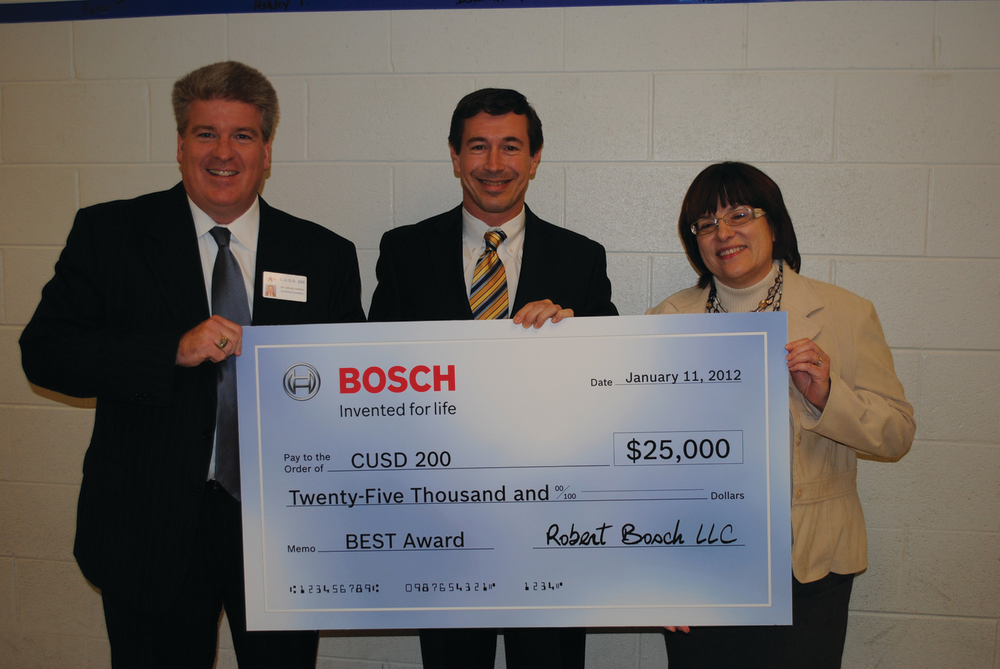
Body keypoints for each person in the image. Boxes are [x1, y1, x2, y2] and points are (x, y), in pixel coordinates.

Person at [20, 61, 365, 668]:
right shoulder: (111, 234)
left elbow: (355, 391)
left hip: (283, 536)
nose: (223, 152)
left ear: (266, 150)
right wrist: (169, 351)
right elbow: (45, 352)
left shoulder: (324, 254)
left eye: (243, 135)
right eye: (206, 133)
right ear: (180, 146)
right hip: (149, 528)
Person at [368, 88, 618, 668]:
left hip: (551, 521)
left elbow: (610, 386)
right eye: (478, 146)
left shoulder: (581, 258)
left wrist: (575, 335)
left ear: (534, 160)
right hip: (443, 519)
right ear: (455, 157)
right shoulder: (403, 251)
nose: (494, 164)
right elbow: (378, 373)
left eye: (512, 147)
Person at [648, 162, 914, 668]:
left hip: (809, 569)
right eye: (705, 224)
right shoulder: (666, 321)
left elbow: (897, 432)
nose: (722, 233)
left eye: (739, 214)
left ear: (775, 224)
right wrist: (660, 570)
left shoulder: (845, 313)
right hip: (700, 567)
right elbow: (639, 463)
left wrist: (827, 395)